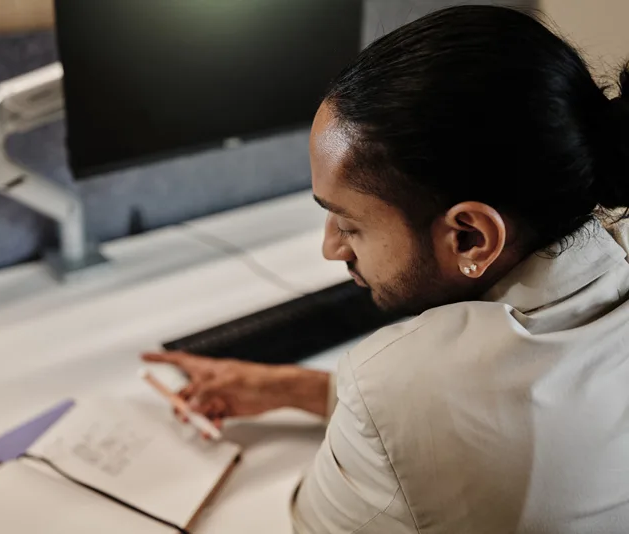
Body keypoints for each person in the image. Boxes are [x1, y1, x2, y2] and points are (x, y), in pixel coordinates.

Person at [143, 5, 629, 533]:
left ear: (470, 236)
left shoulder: (399, 386)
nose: (331, 249)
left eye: (348, 224)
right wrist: (291, 389)